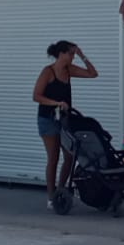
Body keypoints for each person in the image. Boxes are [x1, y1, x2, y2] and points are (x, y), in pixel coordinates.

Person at [32, 40, 98, 208]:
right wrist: (56, 103)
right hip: (48, 119)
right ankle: (50, 196)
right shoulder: (48, 72)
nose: (72, 57)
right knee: (53, 157)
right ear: (61, 54)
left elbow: (92, 73)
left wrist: (83, 56)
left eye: (74, 54)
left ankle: (61, 191)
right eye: (70, 54)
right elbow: (36, 96)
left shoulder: (68, 71)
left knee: (70, 155)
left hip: (64, 119)